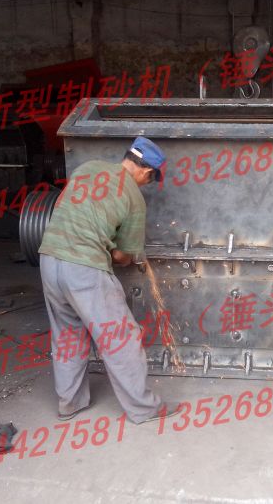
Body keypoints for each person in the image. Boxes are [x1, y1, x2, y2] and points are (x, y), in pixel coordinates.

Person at [38, 136, 176, 423]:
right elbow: (123, 256)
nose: (147, 183)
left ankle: (70, 403)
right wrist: (117, 253)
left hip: (49, 258)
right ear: (146, 171)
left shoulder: (87, 168)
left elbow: (65, 207)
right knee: (122, 337)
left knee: (68, 334)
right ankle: (144, 408)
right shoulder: (134, 197)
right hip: (83, 267)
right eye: (151, 178)